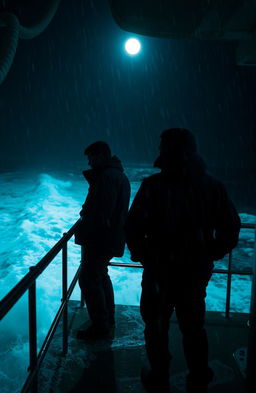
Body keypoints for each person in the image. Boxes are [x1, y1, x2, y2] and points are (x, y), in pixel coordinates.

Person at [125, 128, 241, 393]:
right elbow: (231, 227)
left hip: (158, 272)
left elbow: (132, 226)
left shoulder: (152, 186)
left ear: (164, 150)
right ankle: (199, 376)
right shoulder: (212, 187)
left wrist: (143, 254)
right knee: (193, 327)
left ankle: (158, 374)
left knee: (156, 325)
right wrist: (210, 253)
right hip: (193, 272)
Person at [75, 141, 131, 339]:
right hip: (110, 237)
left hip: (101, 239)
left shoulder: (108, 177)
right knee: (100, 275)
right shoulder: (117, 175)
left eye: (91, 158)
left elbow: (102, 213)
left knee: (88, 278)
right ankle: (107, 318)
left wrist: (86, 223)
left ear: (101, 156)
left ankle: (100, 326)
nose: (89, 163)